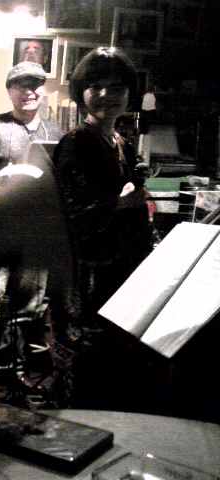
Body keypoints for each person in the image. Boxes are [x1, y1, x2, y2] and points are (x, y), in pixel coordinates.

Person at [51, 47, 153, 410]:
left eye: (117, 87)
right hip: (87, 277)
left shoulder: (122, 144)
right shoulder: (76, 143)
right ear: (81, 92)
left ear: (129, 93)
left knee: (118, 369)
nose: (106, 95)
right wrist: (119, 203)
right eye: (96, 86)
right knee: (88, 372)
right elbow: (70, 216)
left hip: (121, 273)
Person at [0, 61, 63, 401]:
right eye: (21, 85)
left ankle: (14, 377)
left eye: (35, 84)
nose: (29, 91)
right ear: (10, 91)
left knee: (27, 309)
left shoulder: (56, 133)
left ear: (43, 90)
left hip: (35, 236)